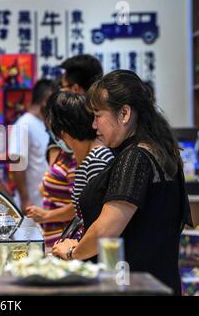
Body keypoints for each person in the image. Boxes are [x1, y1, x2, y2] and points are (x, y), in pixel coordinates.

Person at [52, 70, 193, 295]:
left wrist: (73, 252)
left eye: (98, 115)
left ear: (124, 113)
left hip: (133, 287)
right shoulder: (160, 151)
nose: (94, 126)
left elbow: (106, 229)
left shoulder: (135, 158)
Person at [27, 91, 114, 243]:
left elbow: (101, 221)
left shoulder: (97, 158)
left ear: (62, 132)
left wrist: (73, 252)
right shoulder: (84, 158)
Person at [8, 79, 57, 211]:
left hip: (45, 203)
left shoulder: (44, 123)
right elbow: (17, 162)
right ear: (46, 100)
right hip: (33, 203)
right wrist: (25, 198)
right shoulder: (24, 124)